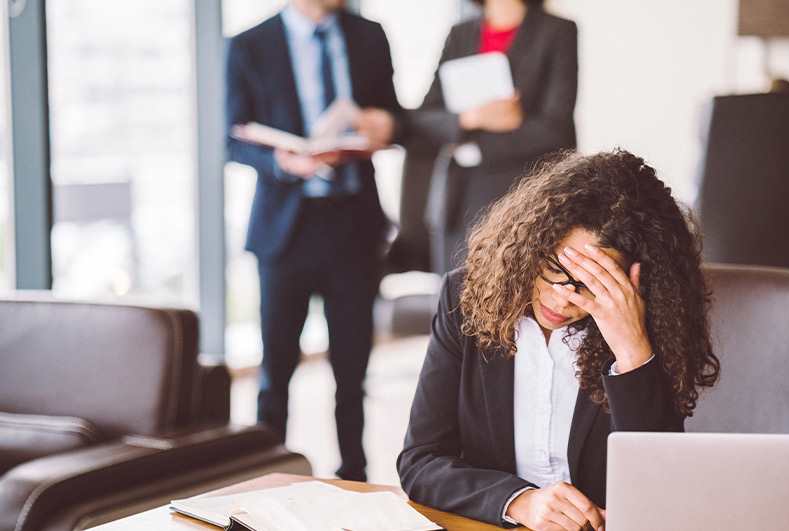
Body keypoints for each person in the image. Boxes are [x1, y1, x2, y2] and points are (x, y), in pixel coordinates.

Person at [398, 150, 720, 530]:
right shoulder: (467, 298)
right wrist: (520, 501)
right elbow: (421, 461)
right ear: (531, 246)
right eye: (554, 269)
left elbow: (662, 489)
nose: (561, 298)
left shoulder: (651, 325)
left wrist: (632, 351)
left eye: (589, 284)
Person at [225, 0, 399, 481]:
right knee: (275, 370)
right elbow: (232, 138)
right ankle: (265, 477)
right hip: (286, 229)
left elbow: (392, 116)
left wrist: (384, 126)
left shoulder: (369, 35)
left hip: (354, 224)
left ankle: (354, 476)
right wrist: (282, 163)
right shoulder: (248, 45)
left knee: (352, 370)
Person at [407, 0, 578, 273]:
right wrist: (472, 118)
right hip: (460, 200)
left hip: (527, 197)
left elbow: (557, 130)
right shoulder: (460, 33)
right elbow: (424, 120)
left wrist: (482, 141)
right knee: (455, 301)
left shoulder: (557, 31)